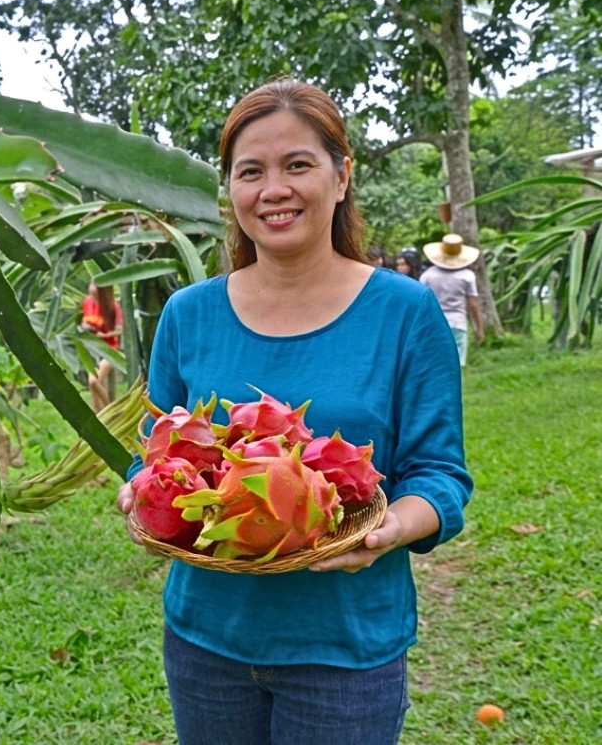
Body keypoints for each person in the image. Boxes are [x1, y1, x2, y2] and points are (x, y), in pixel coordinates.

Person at [115, 79, 472, 745]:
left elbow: (441, 477)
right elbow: (155, 455)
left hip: (344, 649)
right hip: (206, 639)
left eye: (298, 165)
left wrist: (387, 529)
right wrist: (139, 489)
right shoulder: (187, 315)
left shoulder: (404, 313)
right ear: (232, 191)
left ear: (341, 177)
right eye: (251, 172)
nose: (273, 189)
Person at [420, 234, 484, 367]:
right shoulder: (467, 276)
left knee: (435, 364)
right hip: (457, 323)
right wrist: (478, 328)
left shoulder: (427, 275)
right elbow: (473, 304)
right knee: (456, 366)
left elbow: (420, 303)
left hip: (433, 323)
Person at [79, 281, 122, 410]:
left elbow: (120, 329)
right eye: (91, 294)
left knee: (93, 382)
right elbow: (83, 320)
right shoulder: (86, 303)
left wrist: (103, 335)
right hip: (91, 349)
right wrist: (84, 327)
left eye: (96, 295)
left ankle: (112, 409)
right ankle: (100, 419)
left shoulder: (114, 307)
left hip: (109, 350)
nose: (93, 298)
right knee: (95, 387)